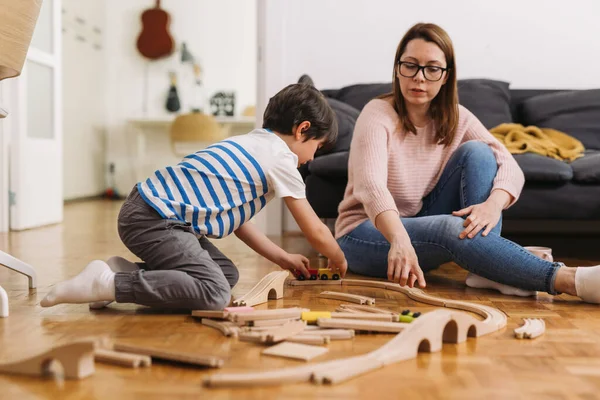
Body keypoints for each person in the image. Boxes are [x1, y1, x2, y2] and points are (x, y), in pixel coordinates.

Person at [335, 22, 600, 303]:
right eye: (410, 65)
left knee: (479, 152)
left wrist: (492, 206)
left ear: (446, 76)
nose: (419, 78)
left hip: (418, 221)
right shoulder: (377, 114)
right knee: (451, 229)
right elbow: (371, 186)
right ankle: (570, 280)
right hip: (366, 235)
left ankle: (486, 270)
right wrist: (399, 240)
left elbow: (509, 164)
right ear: (397, 68)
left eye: (432, 68)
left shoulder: (456, 116)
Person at [41, 83, 348, 310]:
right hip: (154, 219)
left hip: (156, 214)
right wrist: (337, 256)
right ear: (302, 129)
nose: (311, 159)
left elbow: (240, 224)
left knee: (226, 274)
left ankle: (126, 273)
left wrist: (282, 257)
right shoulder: (280, 158)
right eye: (317, 147)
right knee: (214, 293)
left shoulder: (253, 145)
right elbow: (316, 230)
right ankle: (105, 284)